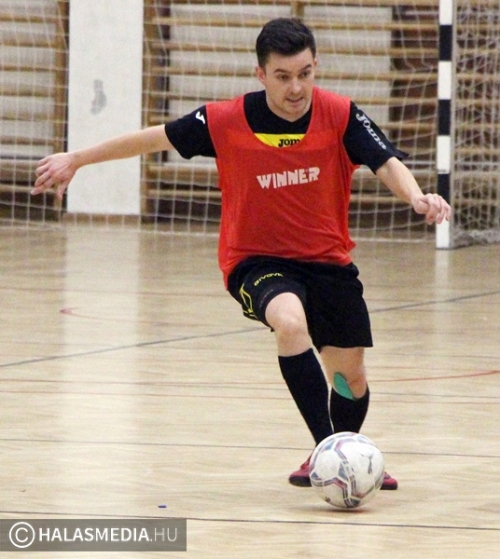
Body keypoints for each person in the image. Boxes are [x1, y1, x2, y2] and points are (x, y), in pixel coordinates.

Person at [32, 18, 451, 490]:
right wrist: (77, 159)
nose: (296, 88)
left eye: (305, 74)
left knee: (349, 378)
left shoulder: (339, 114)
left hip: (327, 262)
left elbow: (385, 162)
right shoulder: (224, 120)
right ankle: (330, 455)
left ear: (316, 66)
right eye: (283, 77)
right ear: (260, 74)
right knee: (289, 322)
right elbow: (152, 138)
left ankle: (346, 451)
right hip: (256, 262)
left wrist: (417, 197)